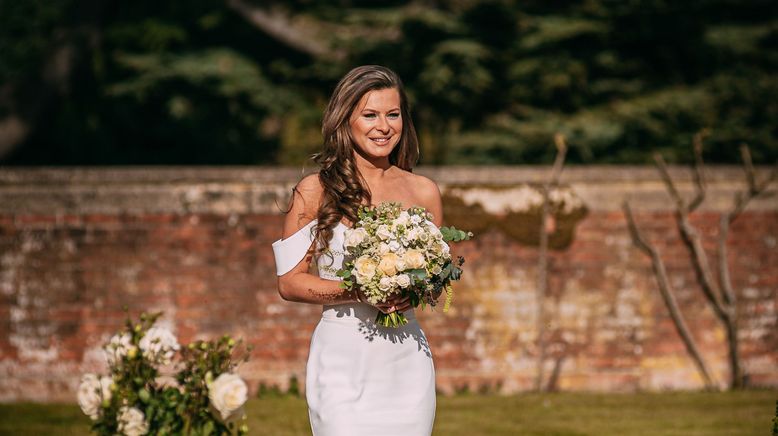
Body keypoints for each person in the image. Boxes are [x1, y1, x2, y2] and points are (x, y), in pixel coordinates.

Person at [272, 65, 442, 436]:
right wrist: (358, 291)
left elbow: (436, 280)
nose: (384, 126)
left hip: (406, 358)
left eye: (393, 114)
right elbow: (289, 283)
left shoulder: (424, 190)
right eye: (370, 115)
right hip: (343, 356)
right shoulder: (314, 190)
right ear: (344, 121)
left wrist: (411, 289)